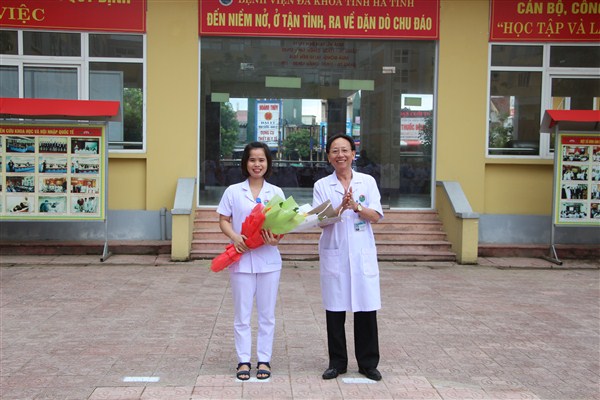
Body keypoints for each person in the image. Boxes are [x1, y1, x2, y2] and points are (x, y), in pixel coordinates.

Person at [312, 134, 384, 381]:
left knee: (366, 309)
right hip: (335, 252)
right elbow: (321, 222)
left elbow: (376, 216)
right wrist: (341, 207)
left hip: (362, 253)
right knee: (335, 310)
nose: (340, 155)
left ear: (353, 154)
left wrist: (356, 206)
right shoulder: (322, 185)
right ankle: (337, 363)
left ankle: (368, 364)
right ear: (328, 157)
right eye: (335, 151)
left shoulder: (367, 182)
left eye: (345, 150)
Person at [216, 141, 284, 381]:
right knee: (242, 315)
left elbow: (282, 225)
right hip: (241, 261)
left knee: (267, 315)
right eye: (252, 160)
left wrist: (276, 239)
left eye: (261, 160)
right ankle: (243, 360)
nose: (257, 164)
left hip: (269, 261)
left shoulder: (276, 192)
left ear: (268, 163)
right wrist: (235, 237)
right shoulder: (233, 191)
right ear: (245, 163)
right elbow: (224, 219)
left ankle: (264, 359)